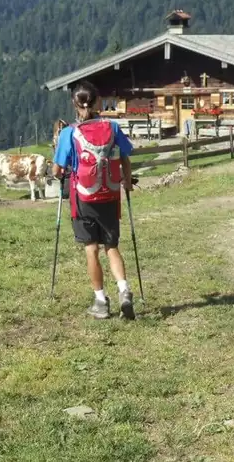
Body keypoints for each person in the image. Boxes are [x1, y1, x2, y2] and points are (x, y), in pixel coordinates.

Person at [51, 81, 136, 320]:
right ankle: (124, 290)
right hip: (109, 195)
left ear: (74, 104)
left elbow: (58, 170)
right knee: (112, 246)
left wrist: (58, 172)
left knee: (92, 249)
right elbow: (126, 157)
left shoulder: (69, 133)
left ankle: (100, 301)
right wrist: (127, 181)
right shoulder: (112, 127)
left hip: (84, 199)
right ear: (98, 102)